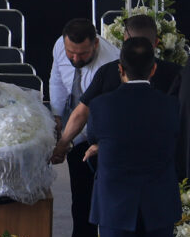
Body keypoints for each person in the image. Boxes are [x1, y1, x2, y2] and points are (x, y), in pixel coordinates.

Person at [84, 37, 181, 237]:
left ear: (120, 68)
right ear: (153, 69)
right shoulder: (171, 106)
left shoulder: (101, 106)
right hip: (158, 205)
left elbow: (95, 137)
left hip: (115, 206)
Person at [51, 14, 182, 164]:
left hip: (112, 164)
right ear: (156, 43)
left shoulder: (107, 70)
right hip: (163, 164)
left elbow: (82, 112)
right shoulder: (178, 74)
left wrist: (62, 145)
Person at [48, 18, 119, 237]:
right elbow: (57, 77)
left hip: (104, 137)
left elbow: (89, 116)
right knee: (81, 205)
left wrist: (64, 145)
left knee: (105, 209)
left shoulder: (111, 64)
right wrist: (56, 116)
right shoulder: (61, 46)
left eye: (83, 54)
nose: (76, 59)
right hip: (73, 133)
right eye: (71, 53)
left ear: (96, 44)